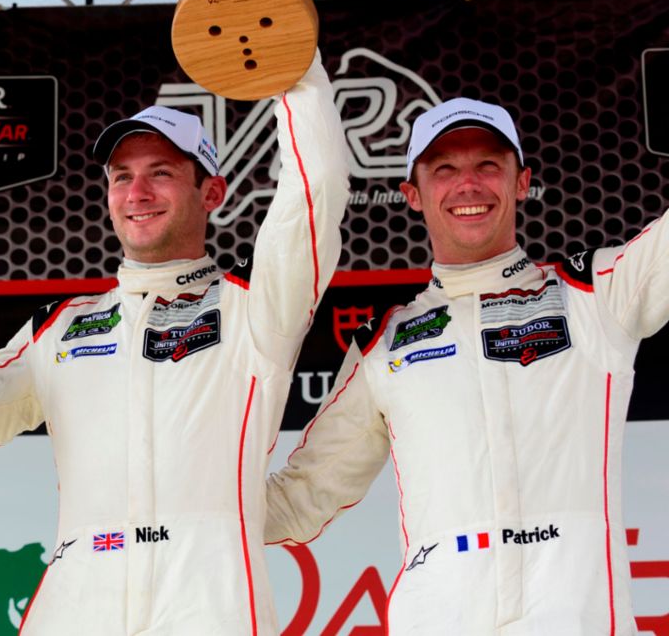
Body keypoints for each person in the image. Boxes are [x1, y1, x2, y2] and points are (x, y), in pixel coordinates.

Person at [0, 55, 350, 632]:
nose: (138, 192)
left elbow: (314, 193)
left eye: (161, 173)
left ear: (212, 192)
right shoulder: (62, 327)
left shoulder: (254, 307)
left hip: (208, 605)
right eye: (122, 176)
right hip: (77, 608)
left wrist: (296, 69)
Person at [264, 98, 668, 632]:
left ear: (522, 182)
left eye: (488, 165)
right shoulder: (385, 344)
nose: (468, 185)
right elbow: (301, 499)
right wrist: (178, 513)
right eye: (445, 169)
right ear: (412, 194)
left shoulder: (594, 297)